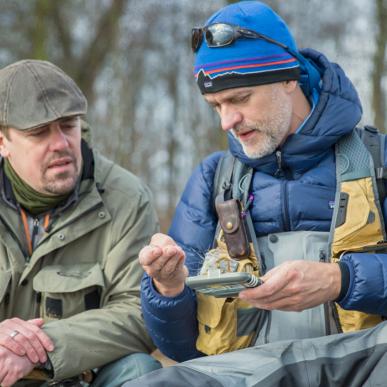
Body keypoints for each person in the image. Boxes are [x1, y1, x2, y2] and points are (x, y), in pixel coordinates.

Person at [139, 0, 387, 365]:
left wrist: (341, 280)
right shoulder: (212, 179)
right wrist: (168, 288)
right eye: (215, 106)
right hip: (247, 374)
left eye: (239, 99)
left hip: (364, 367)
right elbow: (181, 349)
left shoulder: (377, 160)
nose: (227, 121)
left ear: (289, 78)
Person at [0, 59, 161, 387]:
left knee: (140, 372)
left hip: (81, 378)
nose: (60, 143)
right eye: (39, 132)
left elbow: (139, 313)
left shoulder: (125, 199)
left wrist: (41, 349)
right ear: (2, 142)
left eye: (68, 126)